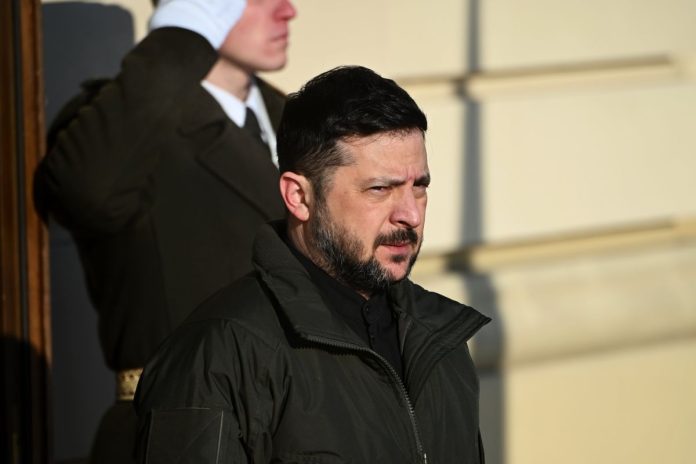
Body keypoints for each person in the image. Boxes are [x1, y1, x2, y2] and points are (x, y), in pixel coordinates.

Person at [134, 65, 491, 463]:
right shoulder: (218, 355)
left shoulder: (440, 339)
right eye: (379, 189)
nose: (410, 214)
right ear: (299, 197)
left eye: (419, 186)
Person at [34, 0, 296, 462]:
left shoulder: (300, 121)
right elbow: (85, 192)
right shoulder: (122, 126)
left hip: (304, 430)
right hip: (185, 434)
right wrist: (181, 37)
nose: (287, 10)